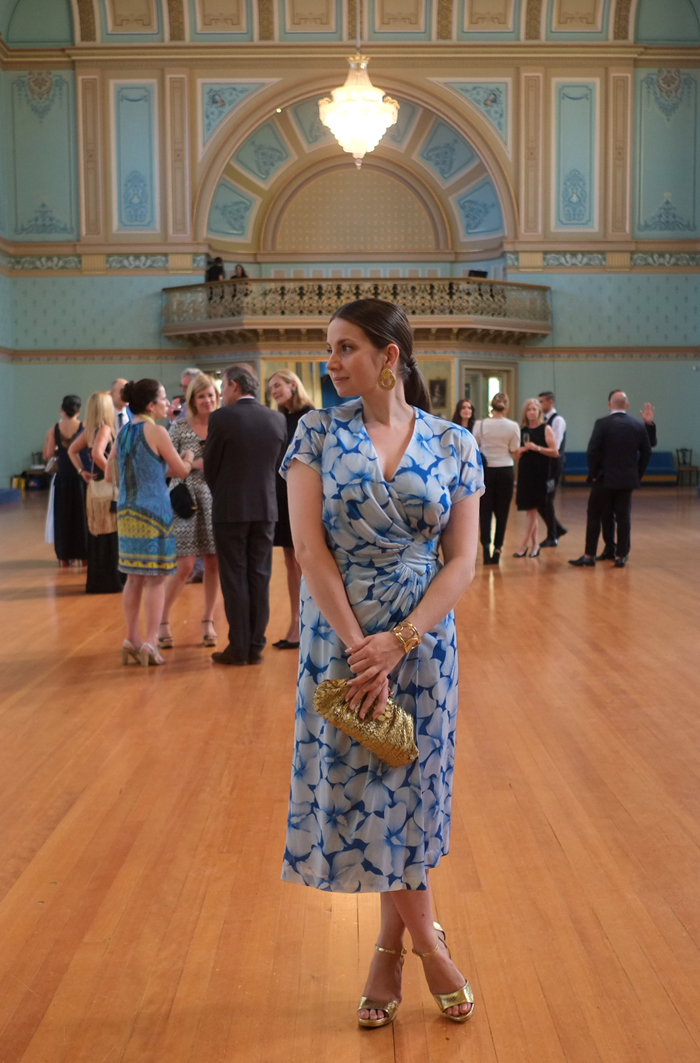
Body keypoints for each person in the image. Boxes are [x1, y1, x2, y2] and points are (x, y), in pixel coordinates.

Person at [281, 299, 483, 1028]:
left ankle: (393, 950)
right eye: (329, 348)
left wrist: (401, 639)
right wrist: (362, 645)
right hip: (340, 643)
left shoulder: (455, 442)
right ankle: (430, 946)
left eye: (344, 348)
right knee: (366, 791)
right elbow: (309, 549)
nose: (330, 362)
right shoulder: (314, 433)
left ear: (388, 357)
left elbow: (464, 558)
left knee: (411, 791)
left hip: (423, 645)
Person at [203, 363, 287, 666]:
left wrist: (222, 490)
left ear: (234, 385)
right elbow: (280, 467)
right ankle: (255, 645)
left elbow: (210, 464)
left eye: (223, 386)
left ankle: (237, 647)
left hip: (230, 507)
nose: (222, 393)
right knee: (260, 576)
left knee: (234, 577)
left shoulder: (222, 417)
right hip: (266, 509)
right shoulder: (276, 419)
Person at [110, 379, 194, 665]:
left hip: (127, 510)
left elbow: (111, 476)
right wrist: (189, 456)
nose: (168, 404)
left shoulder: (122, 432)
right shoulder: (157, 431)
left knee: (133, 579)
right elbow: (182, 470)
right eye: (162, 398)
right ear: (150, 405)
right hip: (154, 511)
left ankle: (131, 637)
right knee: (156, 581)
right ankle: (150, 642)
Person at [159, 375, 220, 649]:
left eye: (211, 395)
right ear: (192, 400)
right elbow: (168, 468)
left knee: (213, 561)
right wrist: (195, 464)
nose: (208, 400)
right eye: (201, 396)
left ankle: (208, 620)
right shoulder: (179, 427)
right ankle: (161, 620)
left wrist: (195, 463)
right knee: (184, 565)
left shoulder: (222, 425)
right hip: (185, 498)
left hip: (216, 498)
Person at [569, 390, 651, 569]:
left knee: (594, 515)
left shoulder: (602, 424)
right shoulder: (638, 425)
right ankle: (621, 556)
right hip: (627, 480)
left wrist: (594, 473)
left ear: (609, 405)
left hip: (604, 479)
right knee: (623, 517)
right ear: (627, 405)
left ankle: (589, 555)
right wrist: (637, 473)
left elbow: (592, 451)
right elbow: (647, 452)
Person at [268, 369, 315, 649]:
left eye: (278, 385)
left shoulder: (309, 416)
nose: (273, 391)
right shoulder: (278, 418)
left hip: (303, 493)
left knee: (306, 559)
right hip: (281, 493)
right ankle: (295, 623)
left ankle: (310, 623)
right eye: (271, 387)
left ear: (293, 385)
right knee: (290, 560)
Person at [68, 392, 125, 594]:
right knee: (111, 535)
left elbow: (71, 451)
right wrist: (117, 476)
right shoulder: (105, 429)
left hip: (95, 489)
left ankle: (99, 581)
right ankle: (113, 581)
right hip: (107, 490)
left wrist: (81, 470)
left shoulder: (89, 430)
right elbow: (97, 454)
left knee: (99, 537)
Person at [598, 400, 657, 560]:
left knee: (623, 517)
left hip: (624, 479)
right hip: (607, 478)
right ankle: (610, 549)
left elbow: (649, 446)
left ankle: (622, 553)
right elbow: (595, 450)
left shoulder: (636, 425)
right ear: (609, 404)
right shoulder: (604, 424)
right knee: (606, 515)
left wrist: (648, 424)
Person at [472, 392, 520, 564]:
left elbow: (474, 446)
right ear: (506, 407)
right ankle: (498, 548)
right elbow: (515, 452)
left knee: (484, 511)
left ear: (491, 406)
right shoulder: (513, 426)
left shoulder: (480, 424)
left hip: (486, 472)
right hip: (505, 471)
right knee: (502, 512)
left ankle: (485, 546)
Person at [42, 395, 88, 567]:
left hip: (62, 478)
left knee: (63, 518)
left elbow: (47, 455)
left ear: (62, 410)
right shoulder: (84, 427)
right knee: (82, 517)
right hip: (81, 477)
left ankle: (64, 556)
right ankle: (84, 555)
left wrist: (59, 452)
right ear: (79, 411)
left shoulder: (54, 429)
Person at [513, 398, 559, 558]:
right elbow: (516, 453)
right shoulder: (522, 430)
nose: (531, 412)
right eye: (528, 409)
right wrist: (520, 451)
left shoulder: (545, 428)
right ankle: (535, 545)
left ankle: (524, 545)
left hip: (540, 474)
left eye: (534, 409)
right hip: (526, 473)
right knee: (530, 512)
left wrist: (536, 448)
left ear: (539, 411)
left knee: (533, 511)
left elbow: (555, 452)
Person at [537, 391, 567, 546]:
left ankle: (552, 536)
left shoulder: (558, 420)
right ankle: (558, 528)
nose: (539, 405)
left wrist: (537, 447)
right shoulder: (543, 421)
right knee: (540, 500)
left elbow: (555, 444)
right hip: (544, 466)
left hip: (554, 467)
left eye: (541, 402)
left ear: (550, 402)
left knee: (548, 500)